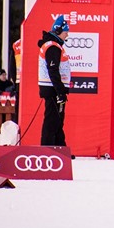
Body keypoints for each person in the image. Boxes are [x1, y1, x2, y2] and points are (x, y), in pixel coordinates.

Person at [38, 15, 71, 152]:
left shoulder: (54, 45)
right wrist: (60, 91)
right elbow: (53, 70)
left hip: (54, 89)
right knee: (52, 121)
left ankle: (60, 149)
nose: (67, 34)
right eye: (65, 32)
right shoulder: (52, 47)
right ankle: (47, 150)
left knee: (57, 120)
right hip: (52, 90)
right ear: (58, 31)